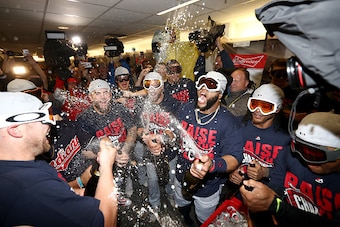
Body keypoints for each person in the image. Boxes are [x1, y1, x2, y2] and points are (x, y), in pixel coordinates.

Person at [0, 92, 118, 227]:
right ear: (15, 130)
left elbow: (57, 195)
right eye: (44, 118)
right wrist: (107, 165)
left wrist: (80, 189)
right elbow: (106, 222)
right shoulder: (30, 186)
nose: (50, 124)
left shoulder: (25, 168)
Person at [240, 112, 340, 227]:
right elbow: (276, 185)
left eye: (315, 154)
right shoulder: (287, 154)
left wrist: (278, 207)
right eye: (300, 148)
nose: (306, 159)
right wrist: (261, 199)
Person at [174, 71, 244, 225]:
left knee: (204, 219)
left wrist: (212, 165)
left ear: (220, 94)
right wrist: (163, 137)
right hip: (180, 176)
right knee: (181, 205)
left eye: (211, 85)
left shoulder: (229, 122)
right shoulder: (186, 108)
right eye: (201, 83)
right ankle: (186, 221)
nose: (203, 88)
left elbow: (234, 158)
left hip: (208, 187)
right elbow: (174, 132)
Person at [76, 79, 137, 204]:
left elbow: (132, 128)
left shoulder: (119, 108)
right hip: (100, 164)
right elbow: (85, 152)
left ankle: (124, 193)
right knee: (106, 194)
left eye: (105, 93)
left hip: (123, 152)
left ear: (110, 94)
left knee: (124, 177)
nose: (103, 97)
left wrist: (125, 150)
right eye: (97, 93)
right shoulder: (84, 119)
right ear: (90, 97)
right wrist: (113, 157)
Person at [136, 72, 181, 212]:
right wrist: (145, 137)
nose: (152, 89)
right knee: (152, 179)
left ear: (162, 87)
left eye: (156, 85)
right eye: (148, 85)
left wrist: (164, 139)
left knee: (172, 177)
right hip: (150, 150)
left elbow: (178, 131)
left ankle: (171, 193)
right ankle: (154, 203)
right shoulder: (142, 104)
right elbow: (137, 128)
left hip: (170, 151)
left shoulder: (173, 103)